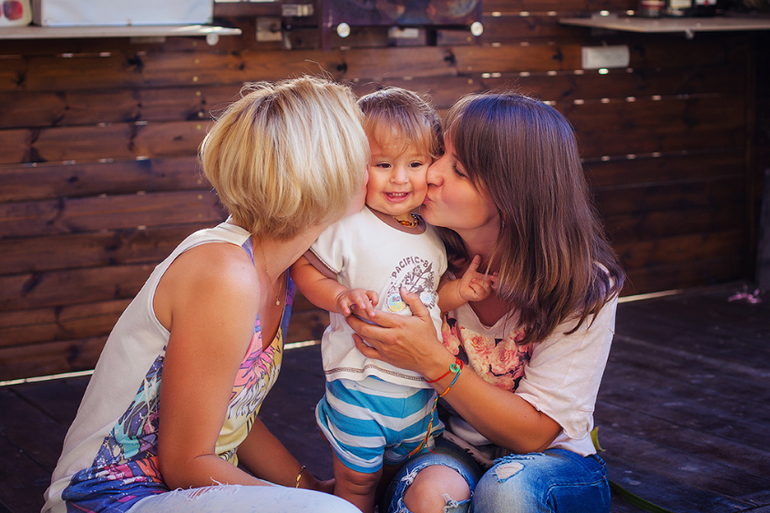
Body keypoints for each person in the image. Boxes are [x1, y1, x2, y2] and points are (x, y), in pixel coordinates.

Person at [41, 76, 369, 513]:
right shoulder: (225, 272)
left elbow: (231, 416)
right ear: (329, 172)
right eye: (367, 157)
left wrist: (311, 488)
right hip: (109, 497)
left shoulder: (276, 270)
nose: (373, 171)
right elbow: (186, 464)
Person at [346, 91, 626, 513]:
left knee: (506, 490)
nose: (432, 173)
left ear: (514, 197)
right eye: (439, 154)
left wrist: (432, 361)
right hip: (451, 448)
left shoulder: (582, 286)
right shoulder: (421, 254)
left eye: (458, 169)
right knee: (428, 494)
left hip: (555, 463)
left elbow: (534, 435)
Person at [291, 88, 494, 513]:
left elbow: (429, 298)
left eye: (415, 164)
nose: (400, 179)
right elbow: (305, 270)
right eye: (383, 165)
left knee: (398, 482)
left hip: (419, 394)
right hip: (360, 387)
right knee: (357, 484)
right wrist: (340, 294)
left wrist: (460, 292)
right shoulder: (349, 225)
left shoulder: (432, 233)